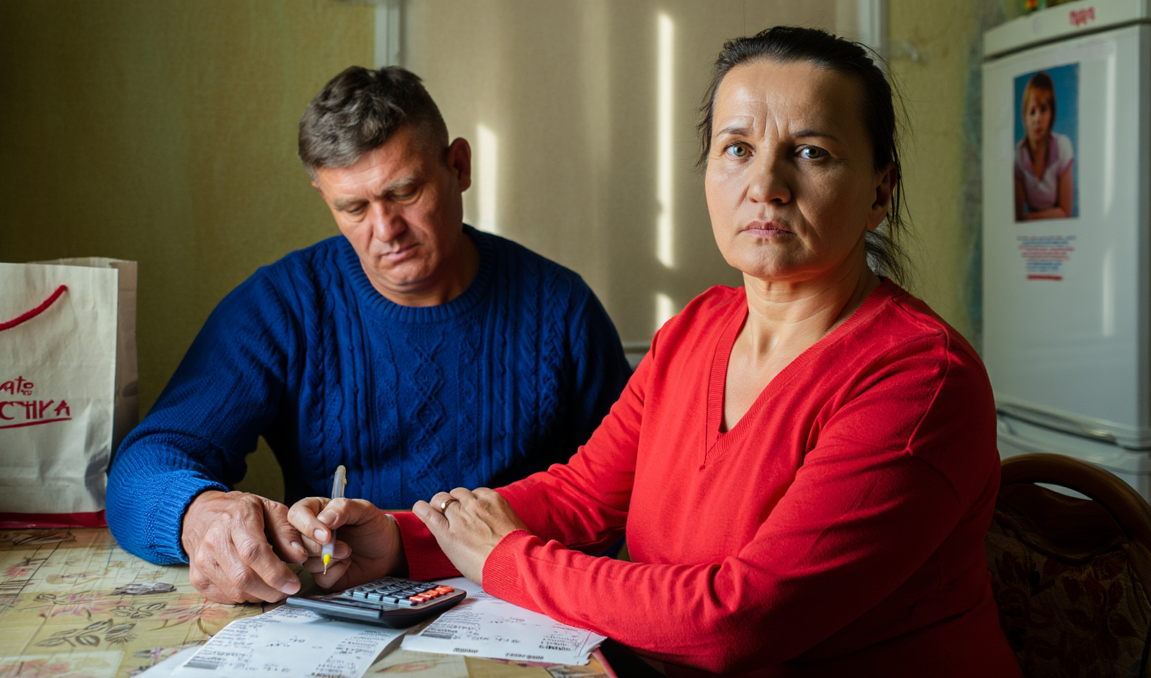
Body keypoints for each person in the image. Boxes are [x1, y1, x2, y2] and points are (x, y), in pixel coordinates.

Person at [289, 27, 1022, 676]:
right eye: (737, 149)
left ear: (879, 191)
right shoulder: (696, 329)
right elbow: (580, 497)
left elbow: (740, 619)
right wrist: (398, 539)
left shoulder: (920, 380)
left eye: (811, 152)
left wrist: (507, 560)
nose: (765, 186)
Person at [106, 66, 631, 605]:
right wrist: (197, 513)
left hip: (519, 605)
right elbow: (141, 469)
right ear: (323, 197)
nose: (386, 230)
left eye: (404, 192)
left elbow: (621, 499)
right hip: (343, 608)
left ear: (459, 166)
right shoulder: (283, 306)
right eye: (353, 207)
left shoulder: (561, 310)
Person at [1014, 71, 1074, 221]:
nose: (1037, 119)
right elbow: (1018, 217)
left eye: (1043, 109)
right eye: (1032, 112)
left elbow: (1065, 211)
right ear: (1024, 118)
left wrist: (1031, 218)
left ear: (1052, 114)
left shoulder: (1062, 147)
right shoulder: (1018, 156)